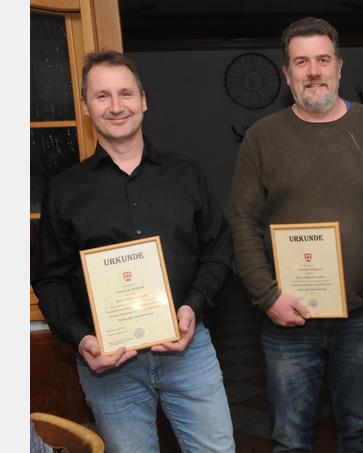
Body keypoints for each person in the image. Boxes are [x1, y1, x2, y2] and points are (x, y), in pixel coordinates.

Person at [31, 51, 236, 452]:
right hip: (110, 367)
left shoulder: (186, 175)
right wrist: (81, 337)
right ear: (86, 106)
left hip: (188, 353)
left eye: (125, 93)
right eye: (102, 96)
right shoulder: (65, 190)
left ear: (144, 99)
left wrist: (192, 306)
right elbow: (50, 278)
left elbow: (219, 250)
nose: (116, 105)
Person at [228, 17, 363, 452]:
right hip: (288, 318)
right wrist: (267, 295)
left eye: (322, 60)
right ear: (286, 74)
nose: (313, 72)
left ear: (340, 67)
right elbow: (242, 221)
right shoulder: (262, 138)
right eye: (301, 62)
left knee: (361, 430)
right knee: (290, 437)